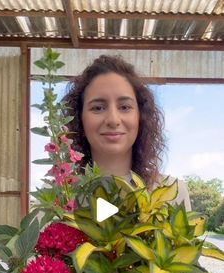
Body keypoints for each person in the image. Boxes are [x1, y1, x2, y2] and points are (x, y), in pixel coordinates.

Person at [64, 54, 191, 210]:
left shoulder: (174, 193)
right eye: (98, 108)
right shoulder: (60, 198)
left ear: (140, 117)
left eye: (124, 107)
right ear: (79, 120)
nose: (113, 120)